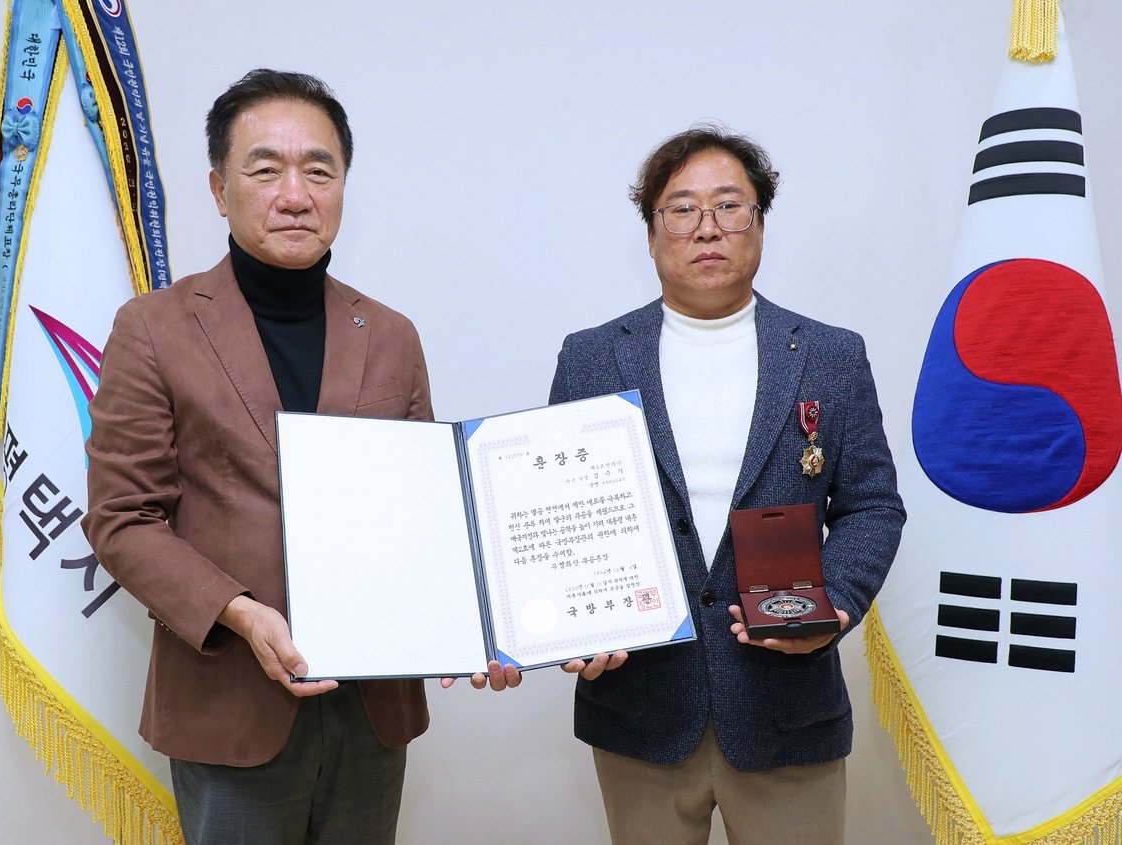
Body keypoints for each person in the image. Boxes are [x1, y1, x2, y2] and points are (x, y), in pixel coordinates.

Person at [83, 69, 516, 845]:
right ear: (219, 189)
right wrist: (241, 612)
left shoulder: (391, 334)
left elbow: (426, 513)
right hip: (229, 700)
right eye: (265, 169)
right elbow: (122, 518)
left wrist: (485, 622)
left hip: (373, 708)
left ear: (344, 185)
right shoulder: (153, 328)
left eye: (319, 170)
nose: (295, 194)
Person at [549, 126, 906, 845]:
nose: (706, 227)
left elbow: (871, 504)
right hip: (641, 708)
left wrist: (832, 607)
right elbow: (562, 511)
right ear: (651, 234)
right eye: (681, 209)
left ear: (760, 224)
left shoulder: (831, 356)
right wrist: (568, 620)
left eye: (729, 206)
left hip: (788, 709)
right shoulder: (591, 357)